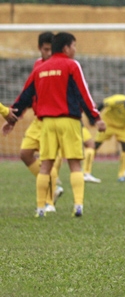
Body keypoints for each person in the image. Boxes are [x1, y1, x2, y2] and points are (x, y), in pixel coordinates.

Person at [12, 32, 106, 217]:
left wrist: (12, 116)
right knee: (74, 165)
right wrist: (95, 117)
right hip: (69, 121)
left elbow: (25, 94)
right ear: (66, 48)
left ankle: (40, 208)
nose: (75, 50)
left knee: (46, 165)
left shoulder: (41, 68)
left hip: (46, 122)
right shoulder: (71, 65)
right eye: (74, 46)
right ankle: (78, 205)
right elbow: (83, 93)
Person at [2, 32, 64, 212]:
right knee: (25, 153)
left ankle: (50, 202)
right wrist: (15, 116)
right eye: (46, 50)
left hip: (55, 120)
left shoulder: (63, 66)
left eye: (52, 50)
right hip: (39, 120)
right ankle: (54, 186)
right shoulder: (38, 66)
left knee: (48, 161)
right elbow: (28, 92)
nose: (49, 53)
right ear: (39, 49)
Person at [94, 93, 125, 181]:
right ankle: (85, 171)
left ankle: (122, 174)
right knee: (95, 145)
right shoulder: (118, 100)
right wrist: (95, 119)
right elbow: (103, 104)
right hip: (108, 124)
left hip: (122, 128)